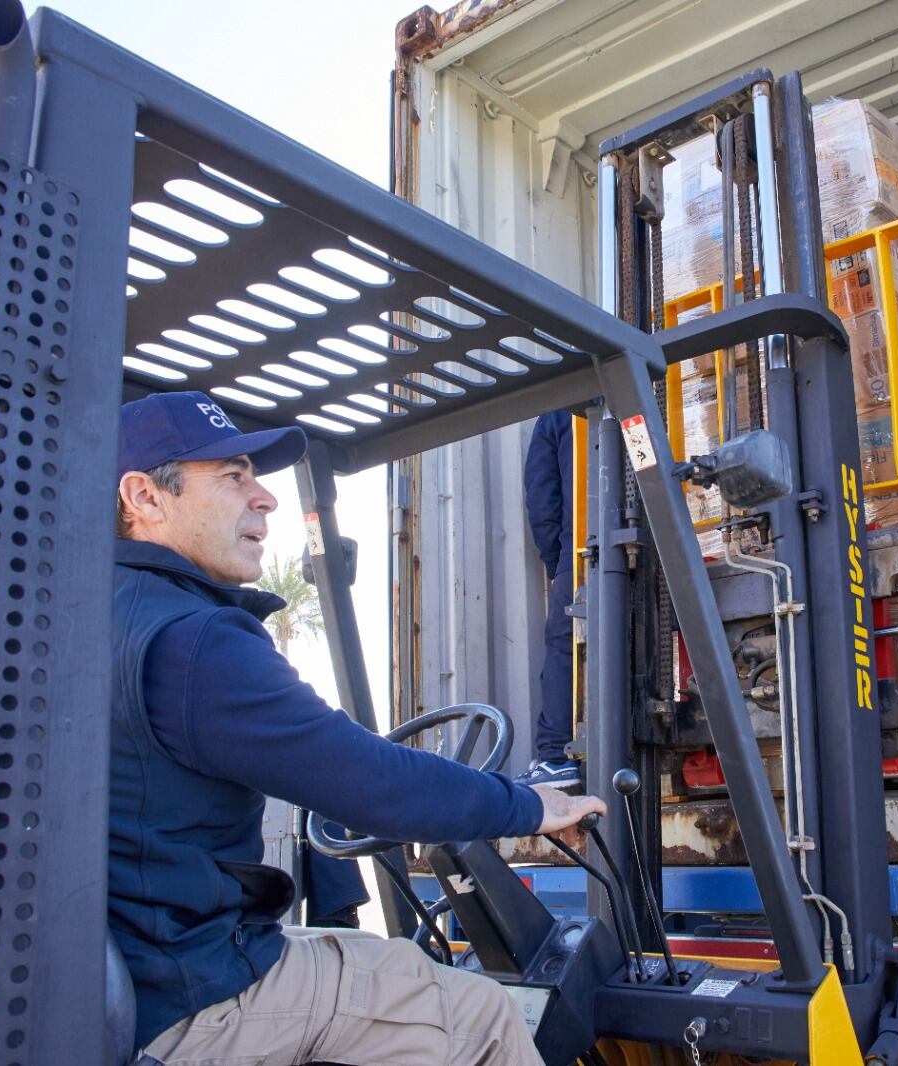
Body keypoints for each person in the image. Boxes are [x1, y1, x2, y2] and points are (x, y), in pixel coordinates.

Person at [110, 391, 604, 1066]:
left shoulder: (100, 614)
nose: (265, 497)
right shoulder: (196, 642)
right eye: (233, 476)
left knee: (385, 957)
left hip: (137, 967)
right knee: (482, 1015)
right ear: (144, 496)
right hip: (193, 993)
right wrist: (528, 805)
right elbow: (367, 779)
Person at [516, 409, 580, 790]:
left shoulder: (558, 410)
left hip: (582, 548)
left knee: (564, 646)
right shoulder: (642, 384)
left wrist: (556, 563)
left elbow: (542, 499)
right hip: (653, 538)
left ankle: (556, 758)